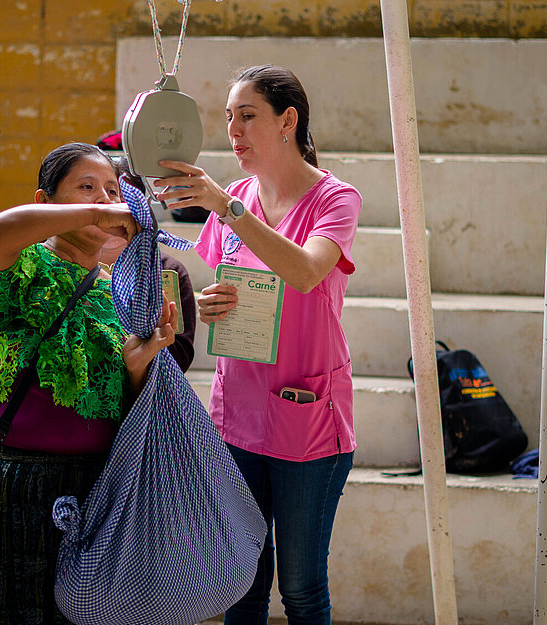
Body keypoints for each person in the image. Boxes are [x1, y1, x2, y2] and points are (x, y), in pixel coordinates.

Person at [153, 65, 361, 625]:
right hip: (238, 414)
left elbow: (305, 272)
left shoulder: (335, 200)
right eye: (228, 118)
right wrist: (215, 300)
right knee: (238, 586)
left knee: (300, 590)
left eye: (248, 116)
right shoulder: (238, 197)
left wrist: (229, 209)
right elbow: (233, 282)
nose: (234, 130)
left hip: (308, 420)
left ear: (287, 120)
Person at [0, 142, 176, 625]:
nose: (105, 200)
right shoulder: (19, 264)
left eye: (113, 191)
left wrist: (139, 361)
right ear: (47, 201)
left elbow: (118, 399)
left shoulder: (113, 288)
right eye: (87, 188)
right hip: (13, 482)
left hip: (90, 485)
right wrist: (98, 210)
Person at [101, 153, 198, 371]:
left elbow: (181, 356)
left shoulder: (166, 270)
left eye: (118, 192)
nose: (110, 203)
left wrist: (151, 338)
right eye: (91, 189)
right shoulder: (61, 264)